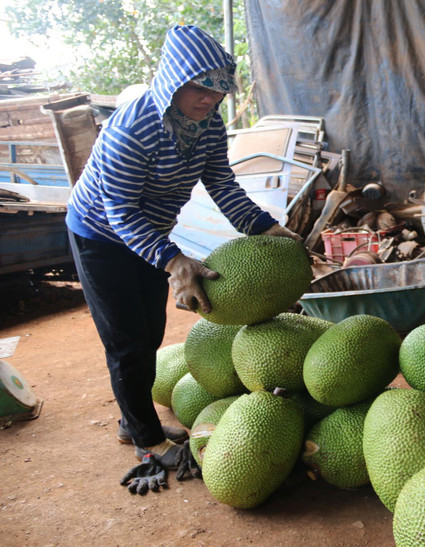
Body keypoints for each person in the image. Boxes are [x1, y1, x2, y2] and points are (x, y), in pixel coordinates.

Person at [65, 25, 300, 472]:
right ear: (174, 80)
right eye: (199, 88)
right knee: (127, 341)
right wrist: (174, 261)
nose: (209, 100)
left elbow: (220, 182)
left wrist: (265, 227)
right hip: (100, 234)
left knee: (150, 332)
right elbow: (119, 211)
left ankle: (132, 420)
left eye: (218, 91)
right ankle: (147, 440)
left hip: (150, 232)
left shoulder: (207, 124)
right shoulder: (132, 129)